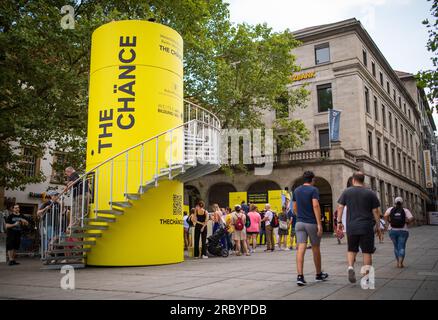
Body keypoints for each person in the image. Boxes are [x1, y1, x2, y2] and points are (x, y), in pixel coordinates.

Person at [337, 171, 382, 284]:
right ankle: (366, 278)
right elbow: (376, 211)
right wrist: (378, 226)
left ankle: (351, 267)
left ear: (353, 180)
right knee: (367, 252)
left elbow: (340, 207)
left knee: (351, 249)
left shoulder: (347, 192)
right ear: (363, 180)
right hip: (366, 227)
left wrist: (338, 222)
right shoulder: (370, 193)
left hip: (352, 226)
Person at [293, 171, 328, 286]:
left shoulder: (296, 190)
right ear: (312, 179)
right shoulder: (314, 190)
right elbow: (315, 205)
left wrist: (300, 216)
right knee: (315, 248)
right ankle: (318, 274)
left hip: (299, 223)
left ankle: (300, 276)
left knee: (300, 248)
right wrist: (319, 224)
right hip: (311, 223)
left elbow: (294, 208)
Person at [384, 197, 414, 268]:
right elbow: (411, 218)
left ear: (395, 202)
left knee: (396, 246)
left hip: (392, 230)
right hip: (403, 230)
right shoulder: (405, 210)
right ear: (402, 202)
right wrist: (407, 222)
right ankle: (401, 263)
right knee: (402, 246)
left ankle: (397, 262)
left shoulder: (390, 209)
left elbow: (385, 216)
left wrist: (389, 221)